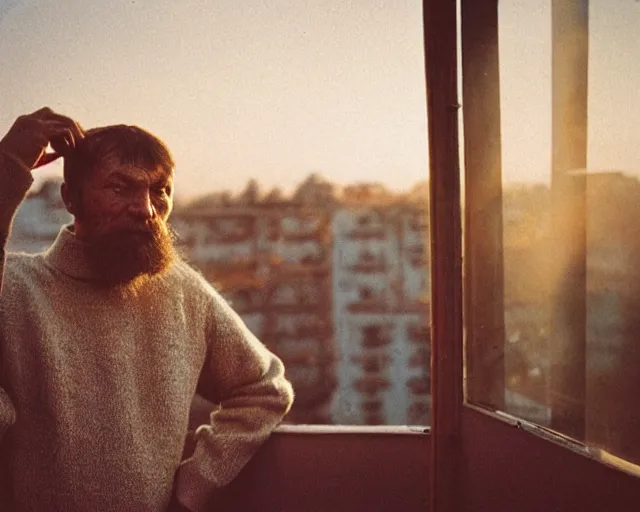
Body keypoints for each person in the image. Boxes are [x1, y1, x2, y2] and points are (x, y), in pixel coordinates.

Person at [0, 107, 294, 511]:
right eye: (121, 188)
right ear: (71, 198)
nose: (146, 210)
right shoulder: (14, 288)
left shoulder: (182, 292)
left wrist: (192, 490)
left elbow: (264, 389)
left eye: (160, 190)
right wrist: (7, 169)